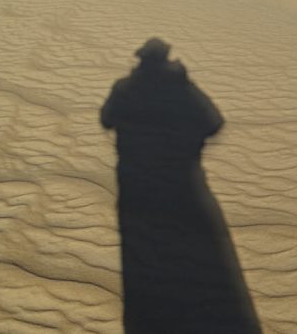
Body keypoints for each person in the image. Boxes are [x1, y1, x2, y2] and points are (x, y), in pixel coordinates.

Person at [101, 38, 260, 334]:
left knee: (142, 261)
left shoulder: (125, 88)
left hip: (136, 188)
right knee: (196, 255)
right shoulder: (181, 90)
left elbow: (106, 119)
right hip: (181, 185)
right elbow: (214, 122)